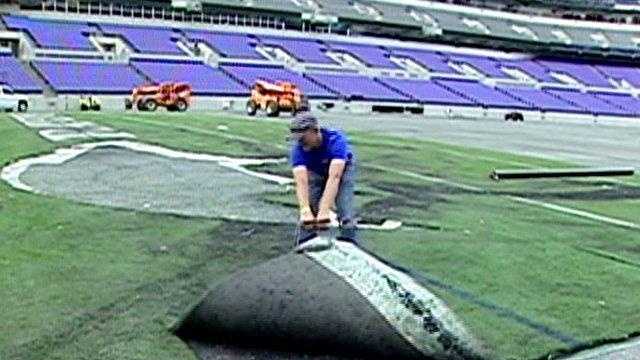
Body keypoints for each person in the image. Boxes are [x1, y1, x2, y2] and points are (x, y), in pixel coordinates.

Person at [289, 112, 357, 247]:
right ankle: (305, 239)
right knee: (310, 204)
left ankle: (350, 238)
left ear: (315, 131)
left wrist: (325, 209)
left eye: (304, 139)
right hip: (315, 170)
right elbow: (302, 182)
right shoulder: (298, 149)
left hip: (342, 170)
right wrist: (305, 210)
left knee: (345, 207)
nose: (301, 143)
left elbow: (335, 177)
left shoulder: (336, 141)